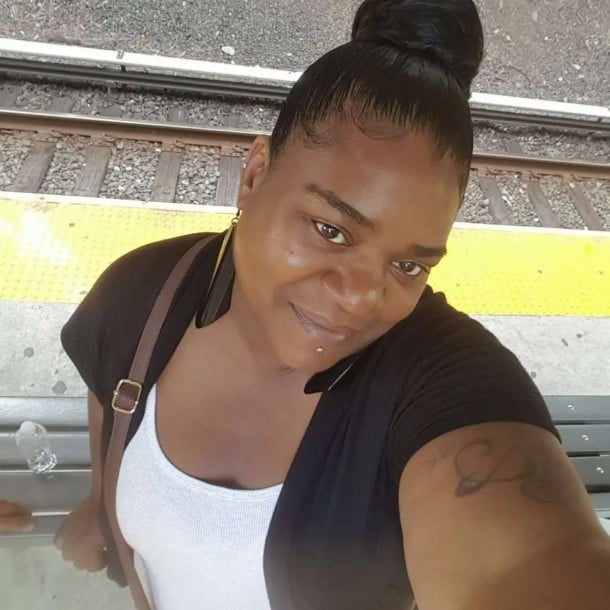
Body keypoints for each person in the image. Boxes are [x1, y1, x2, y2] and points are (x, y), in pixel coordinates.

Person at [54, 0, 610, 608]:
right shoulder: (142, 291)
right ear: (255, 175)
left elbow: (529, 559)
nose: (361, 298)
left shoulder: (442, 382)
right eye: (331, 230)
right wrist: (101, 501)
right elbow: (109, 390)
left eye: (408, 265)